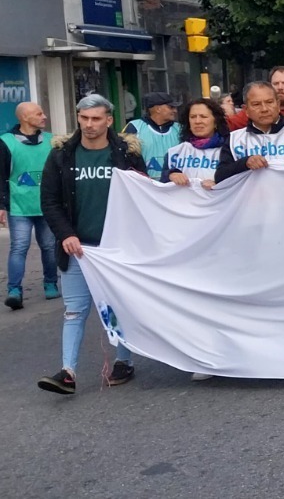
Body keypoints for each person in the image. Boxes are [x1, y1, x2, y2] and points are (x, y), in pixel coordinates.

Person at [37, 94, 149, 395]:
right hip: (77, 248)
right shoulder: (62, 155)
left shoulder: (126, 153)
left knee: (118, 306)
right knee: (74, 310)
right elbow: (49, 201)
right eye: (84, 118)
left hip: (116, 247)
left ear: (109, 120)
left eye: (96, 118)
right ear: (77, 118)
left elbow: (143, 193)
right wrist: (65, 234)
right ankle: (67, 371)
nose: (89, 125)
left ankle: (124, 361)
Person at [1, 102, 57, 310]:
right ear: (24, 118)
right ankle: (14, 291)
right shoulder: (6, 142)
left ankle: (50, 282)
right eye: (39, 113)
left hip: (47, 204)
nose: (44, 116)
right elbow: (0, 175)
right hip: (19, 206)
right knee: (19, 247)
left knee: (49, 246)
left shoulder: (51, 141)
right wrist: (1, 204)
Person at [215, 82, 284, 182]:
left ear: (278, 104)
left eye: (269, 102)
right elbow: (220, 177)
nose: (264, 109)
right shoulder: (235, 140)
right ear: (246, 110)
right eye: (256, 104)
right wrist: (244, 163)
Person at [163, 98, 229, 190]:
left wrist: (219, 184)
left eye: (203, 116)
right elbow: (161, 188)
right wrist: (170, 175)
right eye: (193, 117)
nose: (197, 121)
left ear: (216, 122)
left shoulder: (230, 150)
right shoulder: (175, 152)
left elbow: (239, 182)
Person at [122, 92, 181, 179]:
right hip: (145, 187)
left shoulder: (180, 129)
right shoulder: (134, 127)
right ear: (158, 109)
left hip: (175, 187)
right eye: (171, 107)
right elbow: (123, 158)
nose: (175, 111)